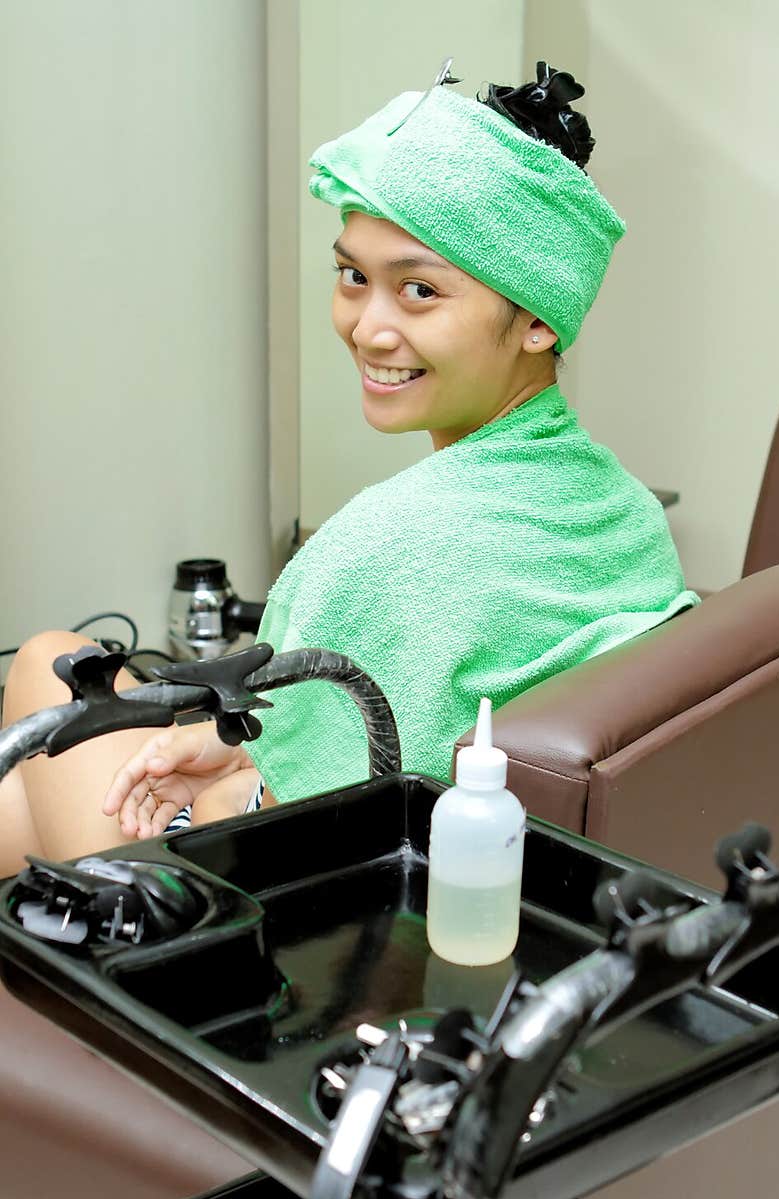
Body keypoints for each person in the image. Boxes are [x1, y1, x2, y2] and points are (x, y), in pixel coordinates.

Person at [0, 62, 698, 880]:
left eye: (420, 292)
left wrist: (229, 784)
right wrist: (229, 751)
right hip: (488, 887)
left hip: (284, 930)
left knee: (46, 665)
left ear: (538, 319)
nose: (368, 329)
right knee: (21, 801)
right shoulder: (621, 509)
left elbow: (292, 821)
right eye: (354, 277)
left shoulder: (397, 545)